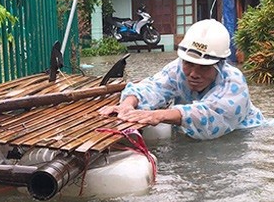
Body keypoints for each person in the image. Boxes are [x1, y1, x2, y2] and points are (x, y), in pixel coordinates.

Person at [99, 19, 264, 140]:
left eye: (204, 67)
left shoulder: (234, 82)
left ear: (220, 64)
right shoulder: (177, 67)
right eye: (189, 64)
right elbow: (153, 86)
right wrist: (127, 104)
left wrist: (160, 115)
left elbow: (209, 115)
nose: (193, 73)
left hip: (243, 134)